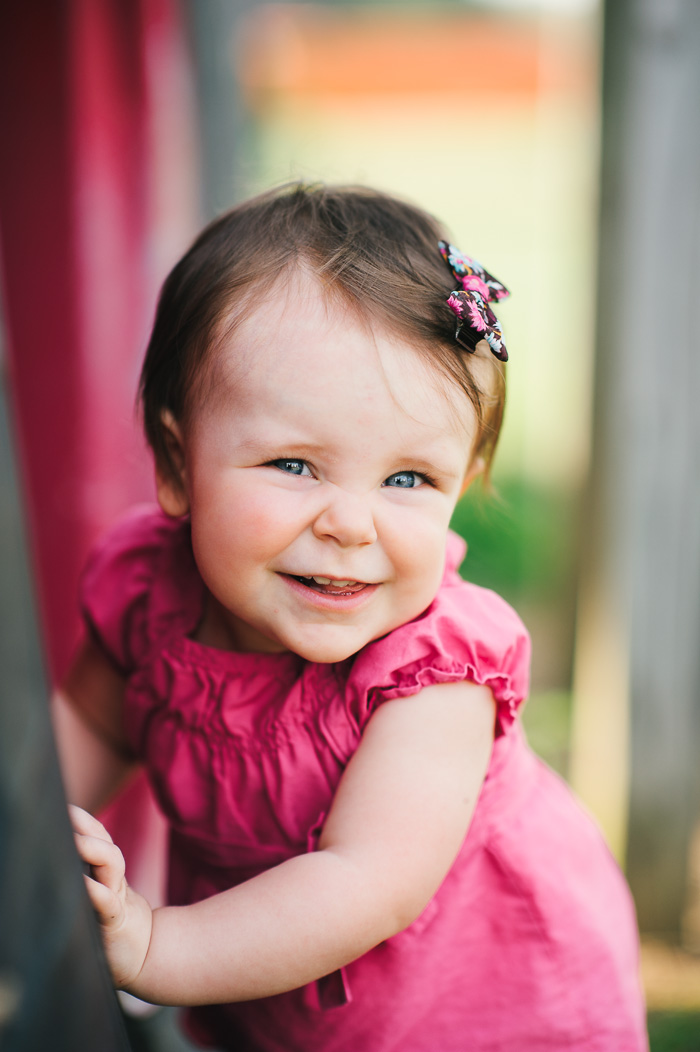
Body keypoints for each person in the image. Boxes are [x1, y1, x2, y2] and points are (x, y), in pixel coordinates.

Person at [57, 184, 648, 1051]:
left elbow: (366, 882)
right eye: (295, 465)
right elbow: (85, 727)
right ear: (180, 466)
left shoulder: (435, 678)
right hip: (277, 1003)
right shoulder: (150, 594)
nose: (350, 523)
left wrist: (154, 944)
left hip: (482, 1015)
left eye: (408, 480)